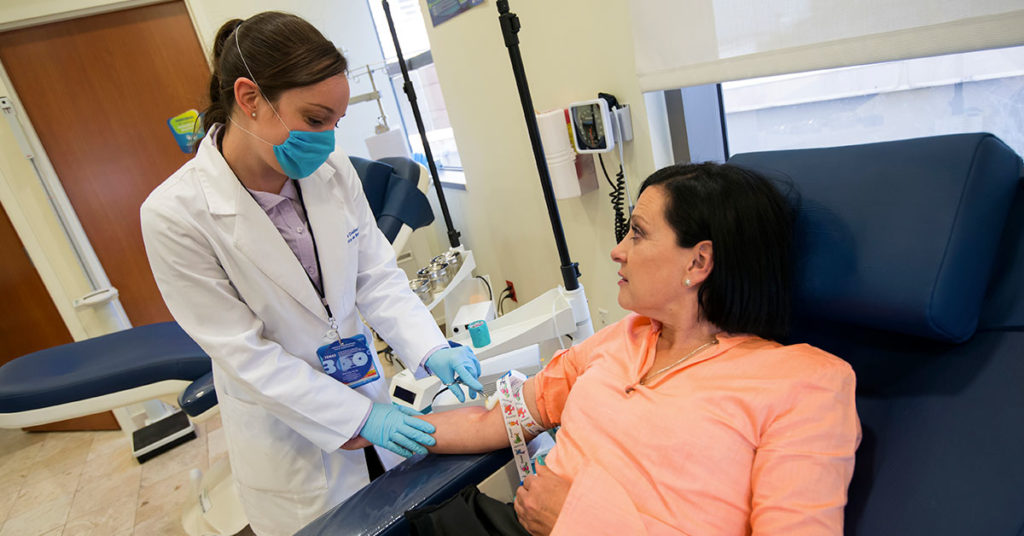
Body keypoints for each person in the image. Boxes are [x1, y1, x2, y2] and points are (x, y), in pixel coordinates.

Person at [355, 163, 861, 535]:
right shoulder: (628, 336)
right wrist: (366, 424)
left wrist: (579, 518)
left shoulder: (805, 383)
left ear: (699, 261)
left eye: (638, 234)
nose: (618, 249)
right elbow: (498, 420)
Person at [140, 12, 483, 536]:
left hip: (365, 391)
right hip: (289, 440)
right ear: (250, 98)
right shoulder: (175, 214)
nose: (327, 141)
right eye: (315, 119)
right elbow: (244, 354)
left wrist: (430, 348)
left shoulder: (333, 172)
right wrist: (359, 419)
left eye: (336, 123)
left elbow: (376, 277)